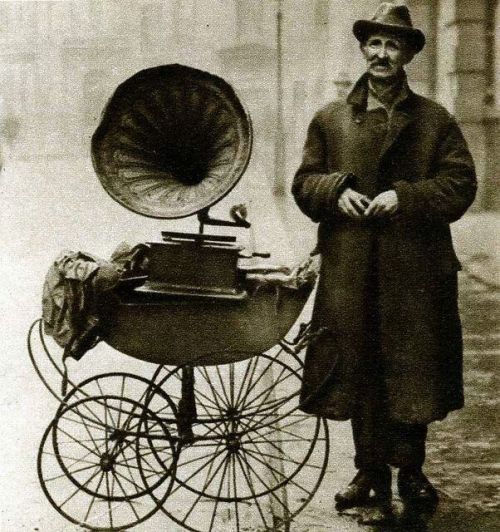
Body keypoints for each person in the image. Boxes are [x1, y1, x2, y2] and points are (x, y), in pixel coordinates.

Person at [292, 2, 477, 524]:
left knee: (412, 369)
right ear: (362, 49)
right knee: (359, 367)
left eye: (393, 45)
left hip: (415, 270)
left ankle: (411, 470)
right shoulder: (330, 119)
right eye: (374, 43)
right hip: (352, 268)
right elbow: (303, 184)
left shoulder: (435, 119)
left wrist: (406, 197)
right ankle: (369, 472)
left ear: (409, 55)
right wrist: (335, 193)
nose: (381, 53)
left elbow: (462, 186)